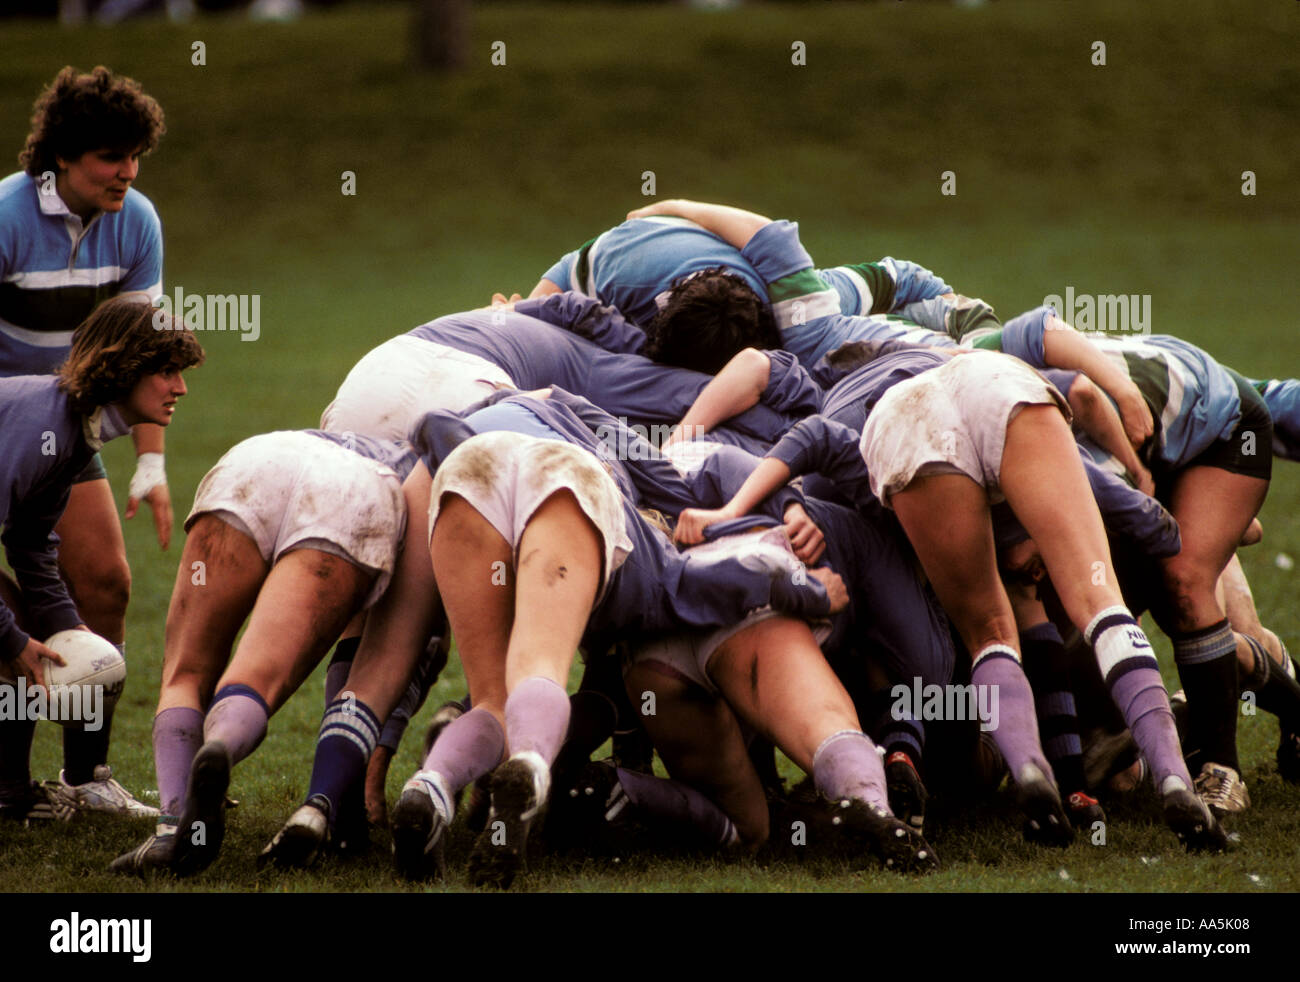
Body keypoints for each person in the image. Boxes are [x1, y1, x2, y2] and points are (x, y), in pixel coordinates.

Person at [674, 340, 1227, 852]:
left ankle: (1034, 771)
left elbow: (812, 440)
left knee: (989, 629)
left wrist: (756, 509)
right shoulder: (895, 408)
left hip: (909, 424)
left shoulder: (861, 436)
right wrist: (1137, 523)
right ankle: (1173, 777)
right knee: (1098, 601)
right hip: (996, 384)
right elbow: (1152, 525)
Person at [108, 428, 415, 876]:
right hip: (352, 494)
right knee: (256, 681)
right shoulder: (433, 462)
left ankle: (173, 827)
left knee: (185, 674)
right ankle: (220, 745)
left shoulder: (364, 410)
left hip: (255, 464)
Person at [1, 66, 170, 815]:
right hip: (7, 428)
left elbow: (145, 353)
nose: (127, 173)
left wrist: (152, 464)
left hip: (70, 437)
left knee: (102, 584)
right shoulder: (4, 216)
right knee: (8, 615)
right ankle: (10, 787)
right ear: (62, 155)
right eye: (110, 156)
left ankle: (84, 781)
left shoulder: (137, 221)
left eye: (135, 155)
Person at [0, 296, 201, 823]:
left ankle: (12, 794)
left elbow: (30, 543)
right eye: (166, 371)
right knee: (7, 627)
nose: (180, 388)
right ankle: (10, 794)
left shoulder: (71, 432)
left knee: (17, 625)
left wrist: (72, 633)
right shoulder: (43, 429)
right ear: (123, 368)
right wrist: (14, 639)